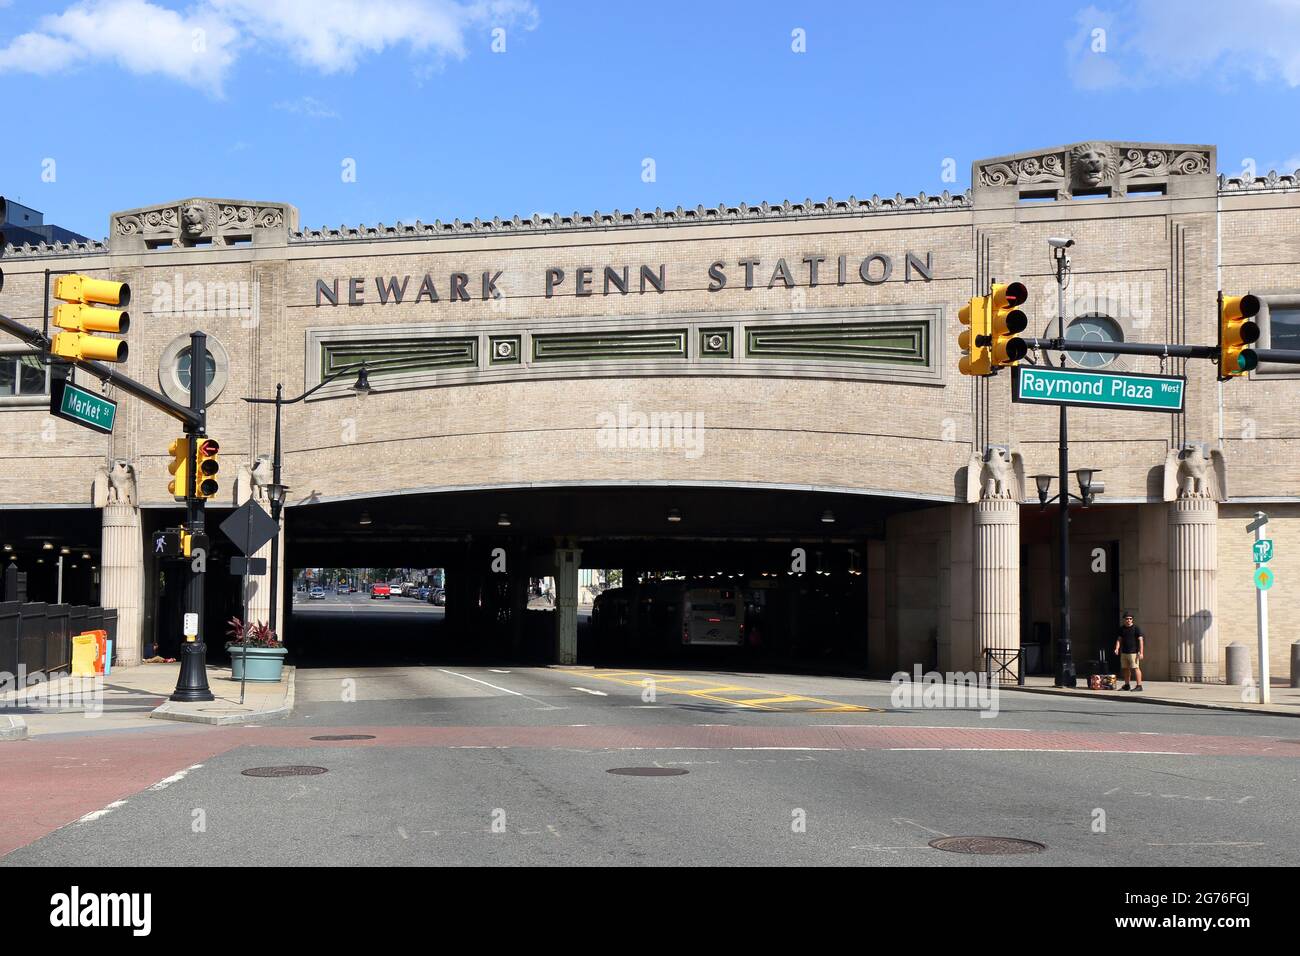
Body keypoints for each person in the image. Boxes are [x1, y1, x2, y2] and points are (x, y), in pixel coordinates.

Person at [1113, 611, 1144, 691]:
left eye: (1130, 619)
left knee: (1136, 668)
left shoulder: (1136, 628)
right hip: (1124, 652)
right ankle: (1127, 685)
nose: (1129, 620)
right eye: (1127, 619)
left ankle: (1139, 686)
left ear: (1132, 620)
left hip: (1133, 652)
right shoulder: (1122, 628)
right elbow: (1119, 640)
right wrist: (1117, 648)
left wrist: (1141, 652)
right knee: (1125, 668)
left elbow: (1141, 640)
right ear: (1124, 619)